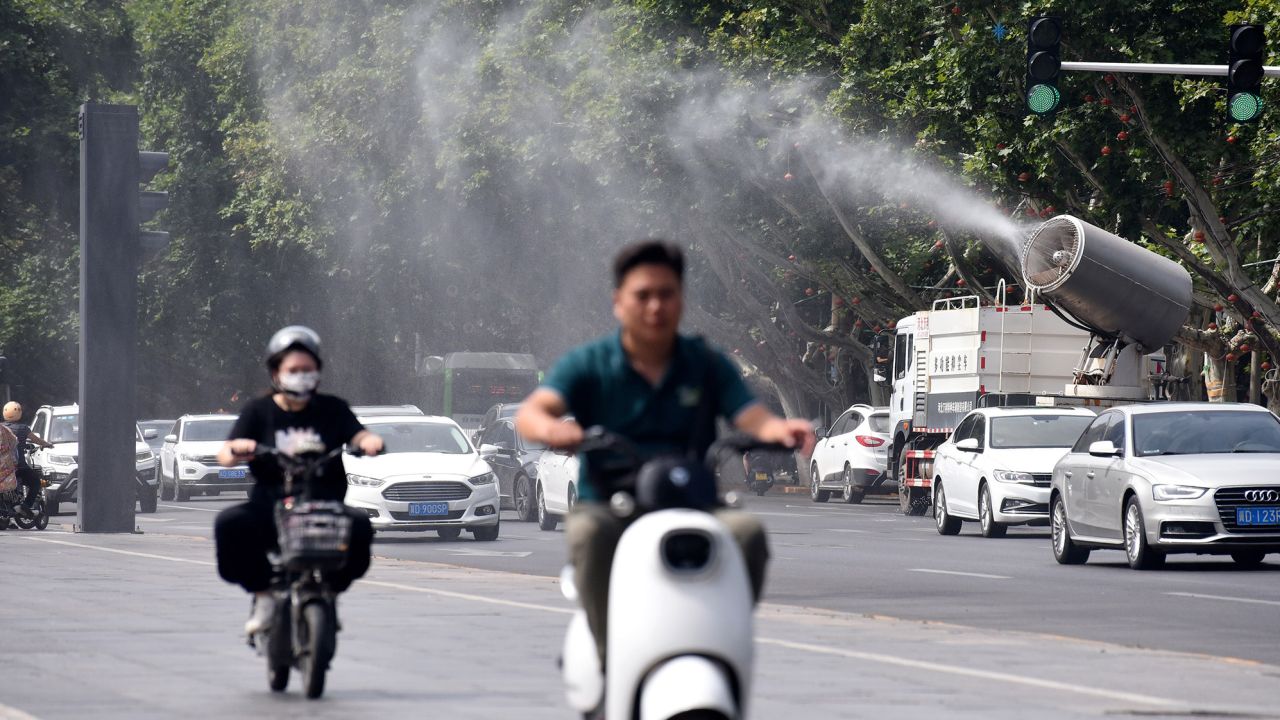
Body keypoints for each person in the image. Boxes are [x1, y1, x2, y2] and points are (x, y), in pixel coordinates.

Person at [515, 240, 815, 665]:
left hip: (692, 502)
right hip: (613, 504)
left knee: (747, 533)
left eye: (666, 294)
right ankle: (607, 655)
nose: (656, 306)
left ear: (681, 299)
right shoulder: (589, 363)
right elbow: (532, 413)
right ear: (619, 302)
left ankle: (723, 641)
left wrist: (778, 428)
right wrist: (553, 430)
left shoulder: (705, 363)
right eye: (643, 295)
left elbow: (750, 416)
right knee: (588, 533)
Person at [213, 326, 384, 634]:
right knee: (229, 524)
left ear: (318, 372)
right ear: (276, 373)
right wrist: (239, 450)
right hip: (270, 507)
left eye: (307, 369)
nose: (301, 375)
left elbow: (357, 433)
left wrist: (369, 441)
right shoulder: (258, 410)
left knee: (360, 526)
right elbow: (225, 453)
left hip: (324, 505)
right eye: (293, 370)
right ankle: (263, 594)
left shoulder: (333, 409)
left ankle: (329, 594)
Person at [2, 402, 53, 515]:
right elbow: (37, 440)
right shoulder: (23, 428)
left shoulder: (1, 429)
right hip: (19, 467)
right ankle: (26, 506)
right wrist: (47, 444)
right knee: (35, 482)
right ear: (19, 412)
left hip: (2, 469)